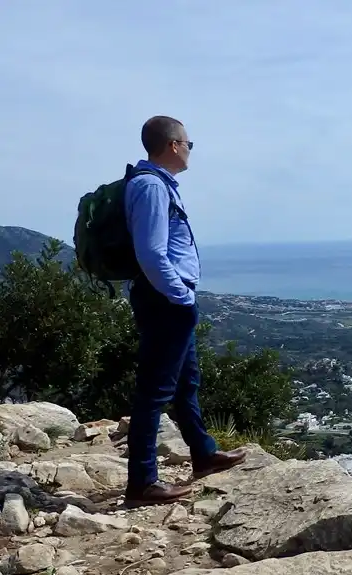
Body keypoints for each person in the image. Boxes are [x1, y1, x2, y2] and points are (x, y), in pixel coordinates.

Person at [123, 116, 245, 507]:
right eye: (190, 144)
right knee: (154, 392)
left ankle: (204, 453)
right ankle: (142, 481)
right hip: (166, 301)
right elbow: (152, 253)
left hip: (168, 299)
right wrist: (182, 297)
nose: (191, 151)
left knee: (185, 382)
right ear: (174, 145)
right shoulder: (150, 187)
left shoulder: (156, 185)